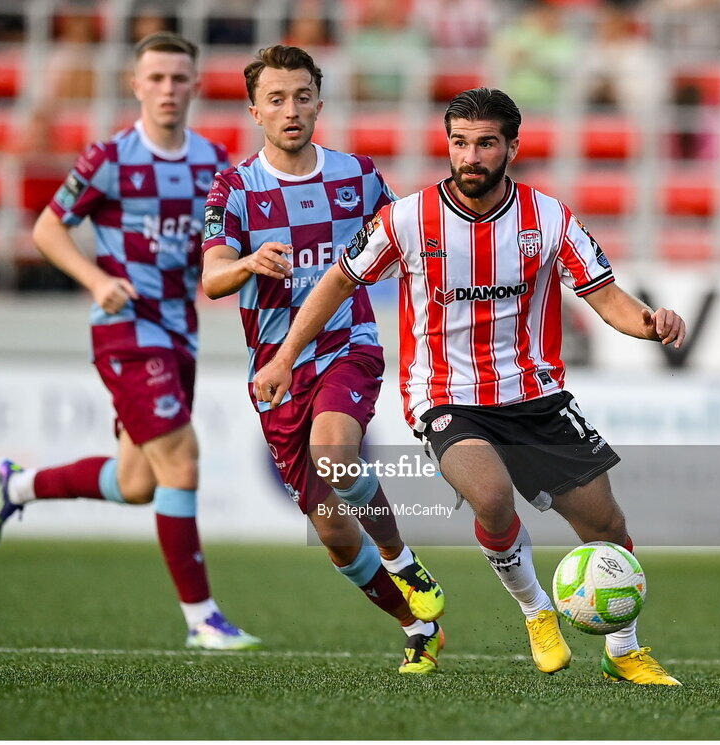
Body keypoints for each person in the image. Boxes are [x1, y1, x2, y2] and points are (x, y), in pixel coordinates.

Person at [254, 87, 687, 685]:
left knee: (608, 528)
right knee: (490, 495)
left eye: (485, 143)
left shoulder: (548, 218)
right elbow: (336, 281)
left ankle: (624, 649)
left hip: (535, 396)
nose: (471, 157)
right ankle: (537, 609)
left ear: (512, 146)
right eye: (460, 143)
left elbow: (607, 298)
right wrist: (284, 357)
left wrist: (651, 321)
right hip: (445, 397)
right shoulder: (406, 219)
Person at [0, 32, 260, 652]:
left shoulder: (215, 162)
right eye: (155, 78)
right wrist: (94, 277)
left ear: (195, 85)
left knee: (138, 484)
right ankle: (201, 617)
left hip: (178, 335)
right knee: (182, 459)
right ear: (136, 85)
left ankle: (15, 486)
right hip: (128, 332)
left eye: (178, 78)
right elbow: (49, 227)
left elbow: (225, 243)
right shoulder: (108, 159)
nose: (167, 89)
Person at [200, 45, 446, 674]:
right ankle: (416, 624)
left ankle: (402, 559)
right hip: (275, 369)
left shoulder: (359, 176)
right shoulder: (234, 188)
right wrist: (249, 263)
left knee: (335, 453)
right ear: (254, 110)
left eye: (302, 96)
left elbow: (407, 242)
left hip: (346, 343)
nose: (291, 110)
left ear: (319, 102)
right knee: (334, 533)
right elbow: (212, 280)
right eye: (276, 99)